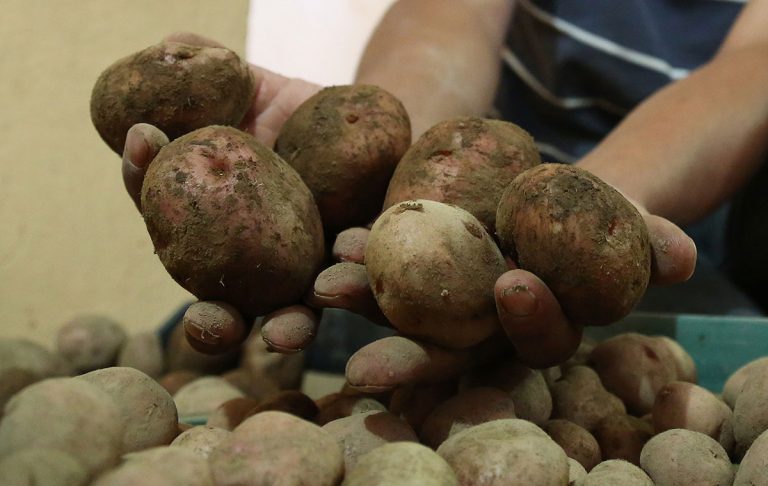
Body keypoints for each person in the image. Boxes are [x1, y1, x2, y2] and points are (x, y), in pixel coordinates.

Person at [122, 0, 768, 389]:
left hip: (673, 206)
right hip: (469, 179)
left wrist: (590, 206)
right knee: (225, 340)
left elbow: (754, 66)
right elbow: (446, 17)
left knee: (702, 364)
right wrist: (391, 144)